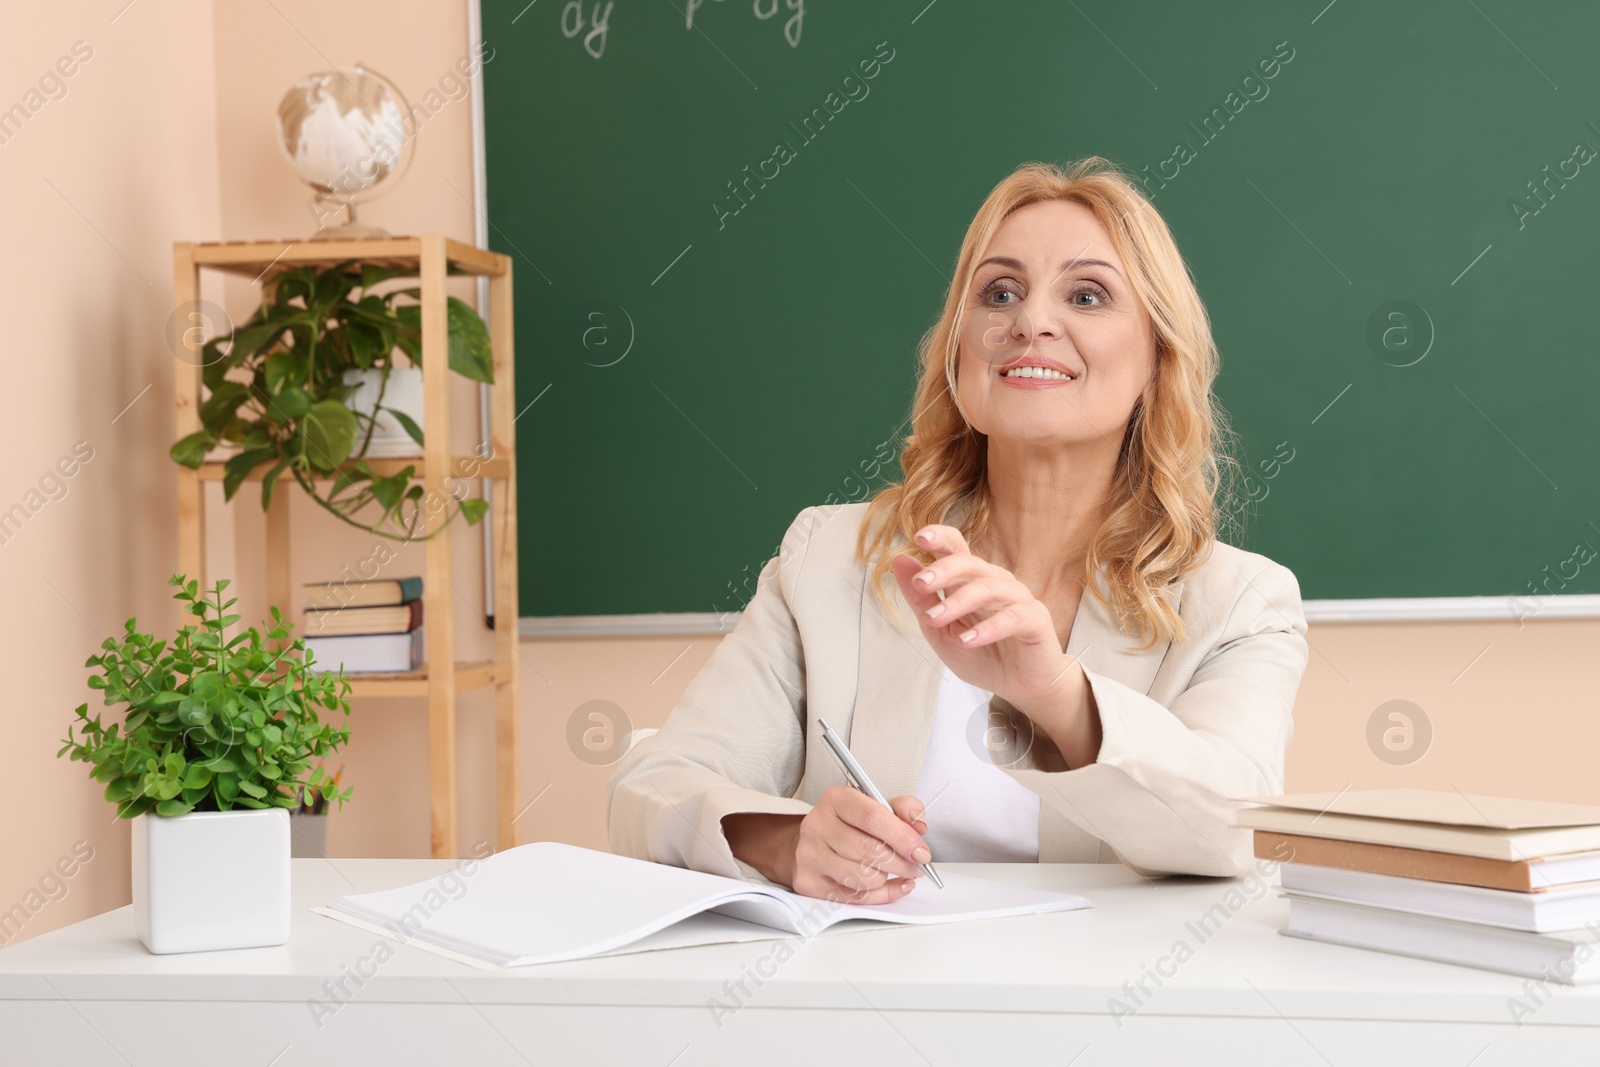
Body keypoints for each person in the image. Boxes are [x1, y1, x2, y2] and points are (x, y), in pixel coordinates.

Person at [606, 156, 1309, 904]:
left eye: (1087, 294)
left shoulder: (1240, 602)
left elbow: (1234, 831)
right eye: (999, 292)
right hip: (863, 995)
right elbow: (649, 791)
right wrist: (789, 843)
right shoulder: (829, 561)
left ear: (1156, 363)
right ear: (958, 352)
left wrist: (1058, 694)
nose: (1030, 321)